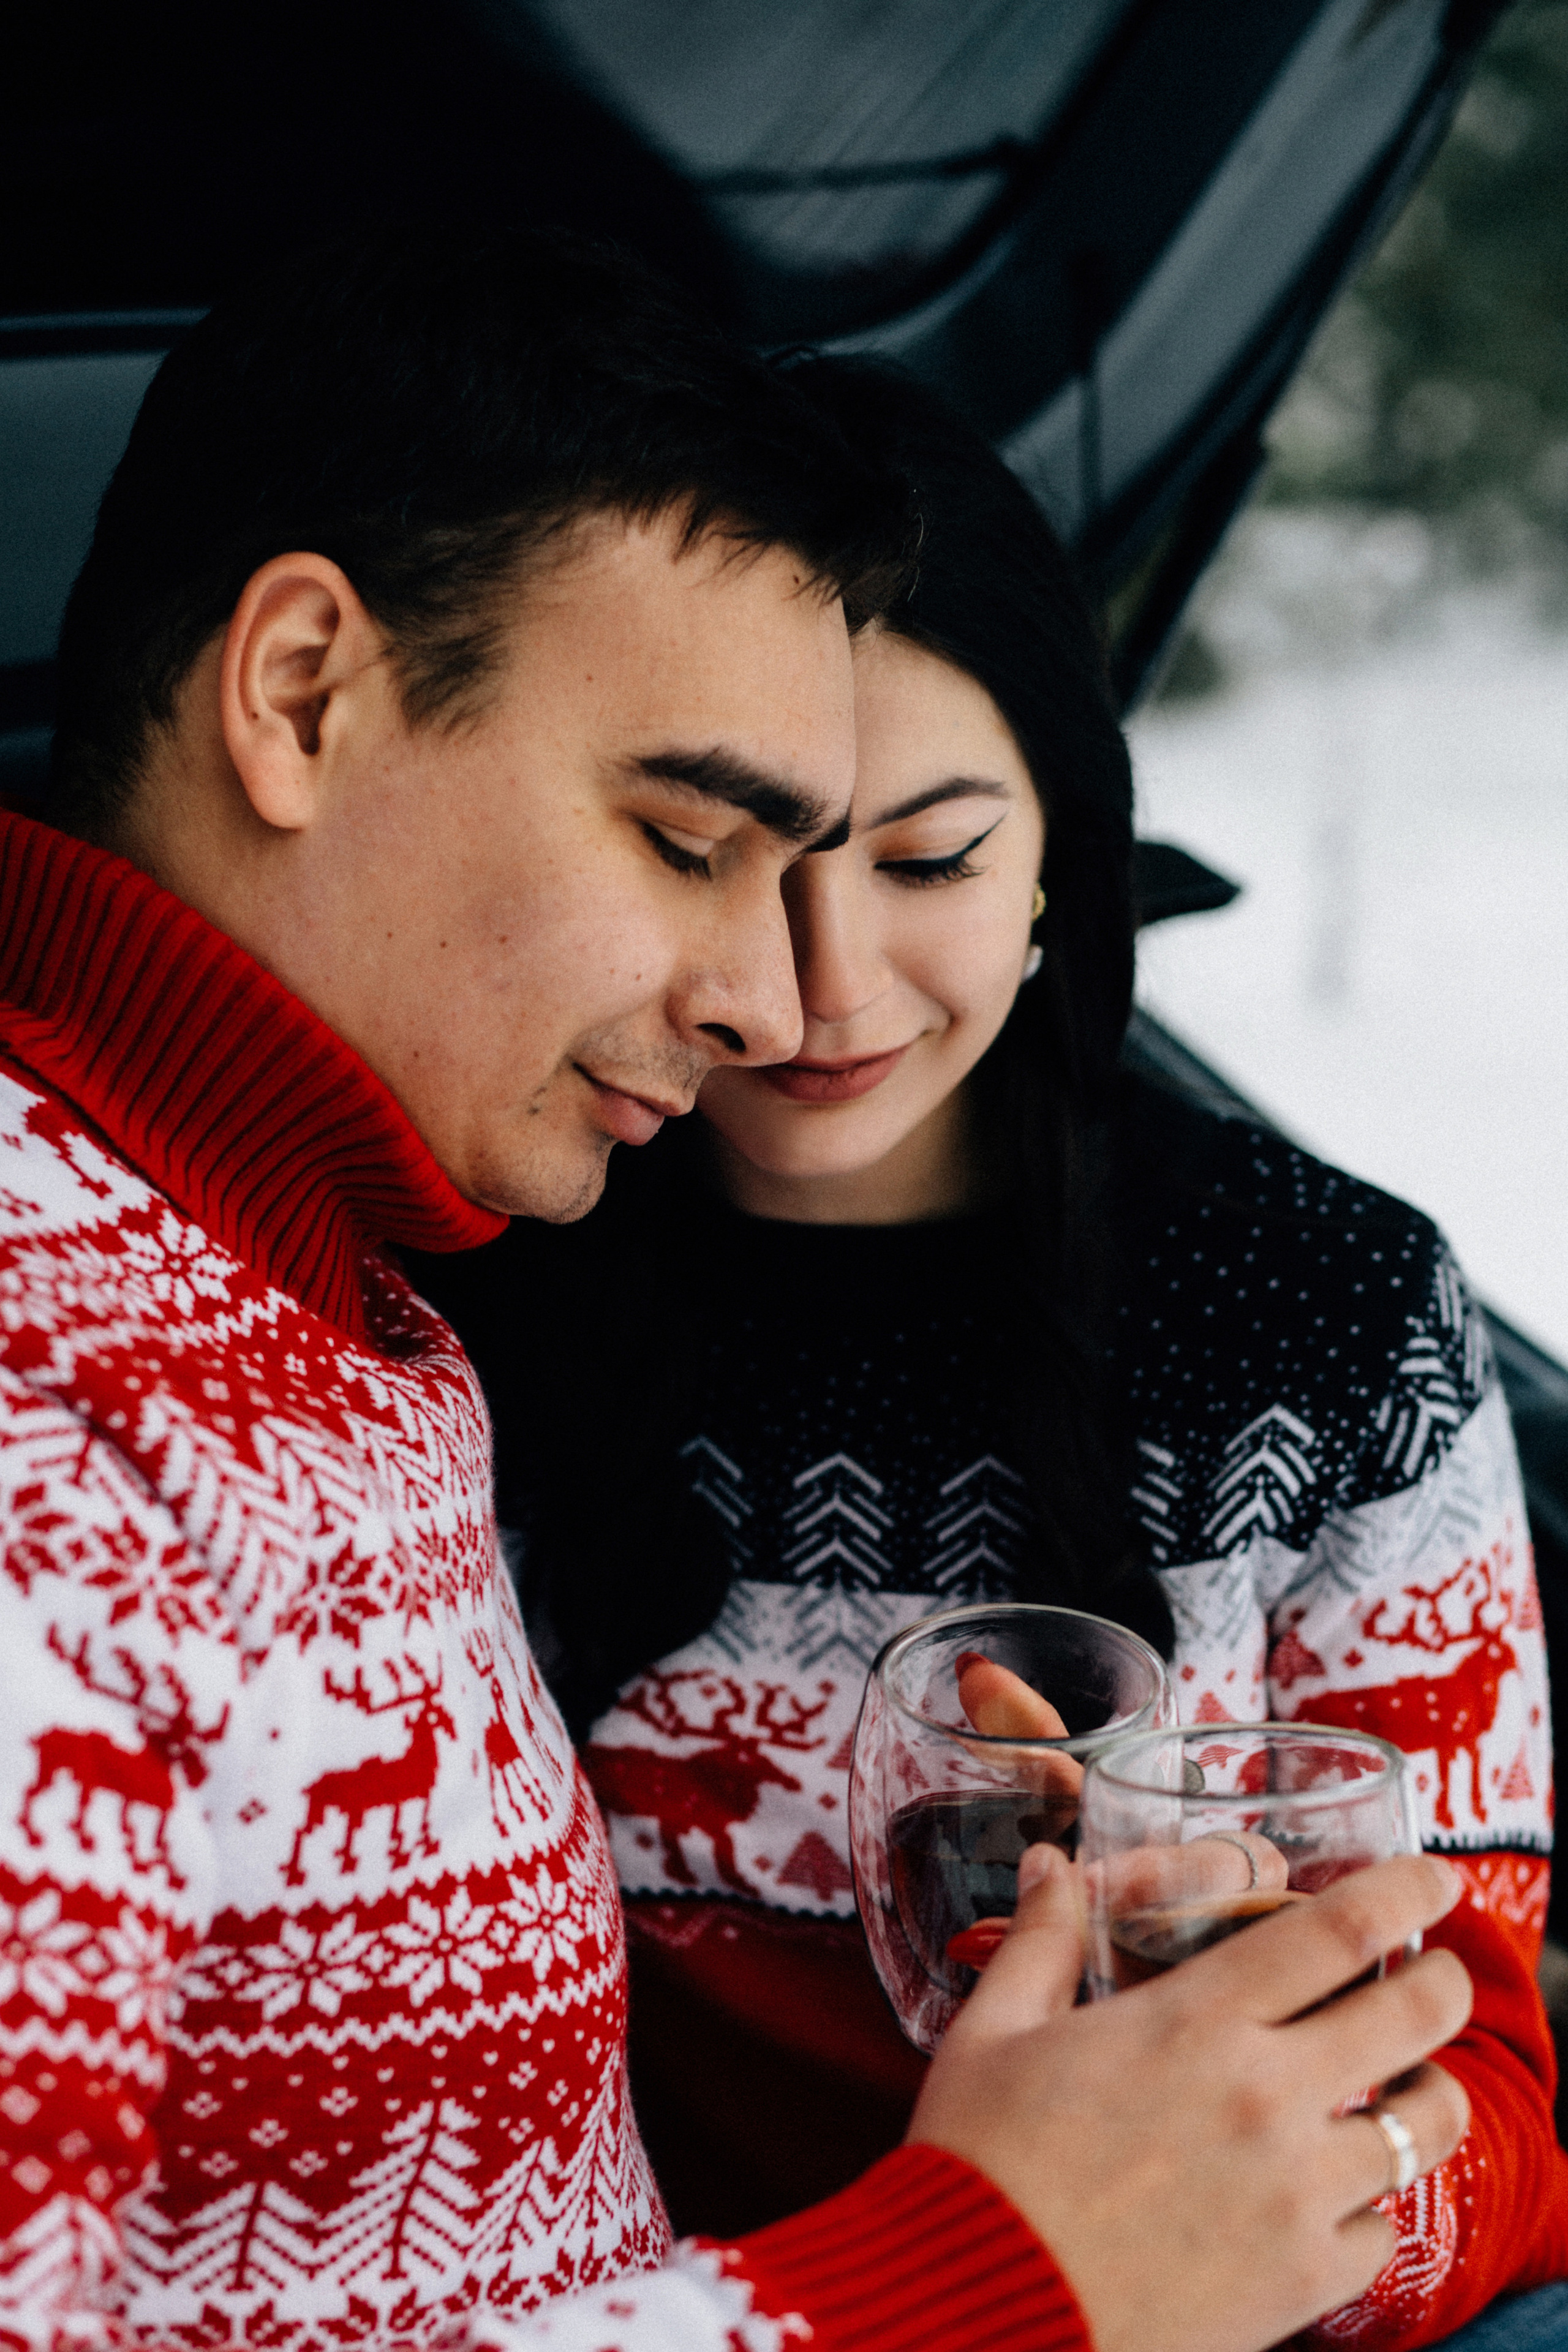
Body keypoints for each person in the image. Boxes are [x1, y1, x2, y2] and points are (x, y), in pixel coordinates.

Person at [0, 225, 1474, 2352]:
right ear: (302, 693)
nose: (766, 1000)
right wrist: (1001, 2278)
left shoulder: (351, 1292)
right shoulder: (58, 1391)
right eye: (690, 842)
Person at [417, 357, 1568, 2347]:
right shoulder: (465, 1284)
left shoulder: (1326, 1317)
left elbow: (1493, 2117)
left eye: (932, 861)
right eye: (717, 856)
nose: (821, 985)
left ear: (1061, 857)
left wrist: (1253, 2050)